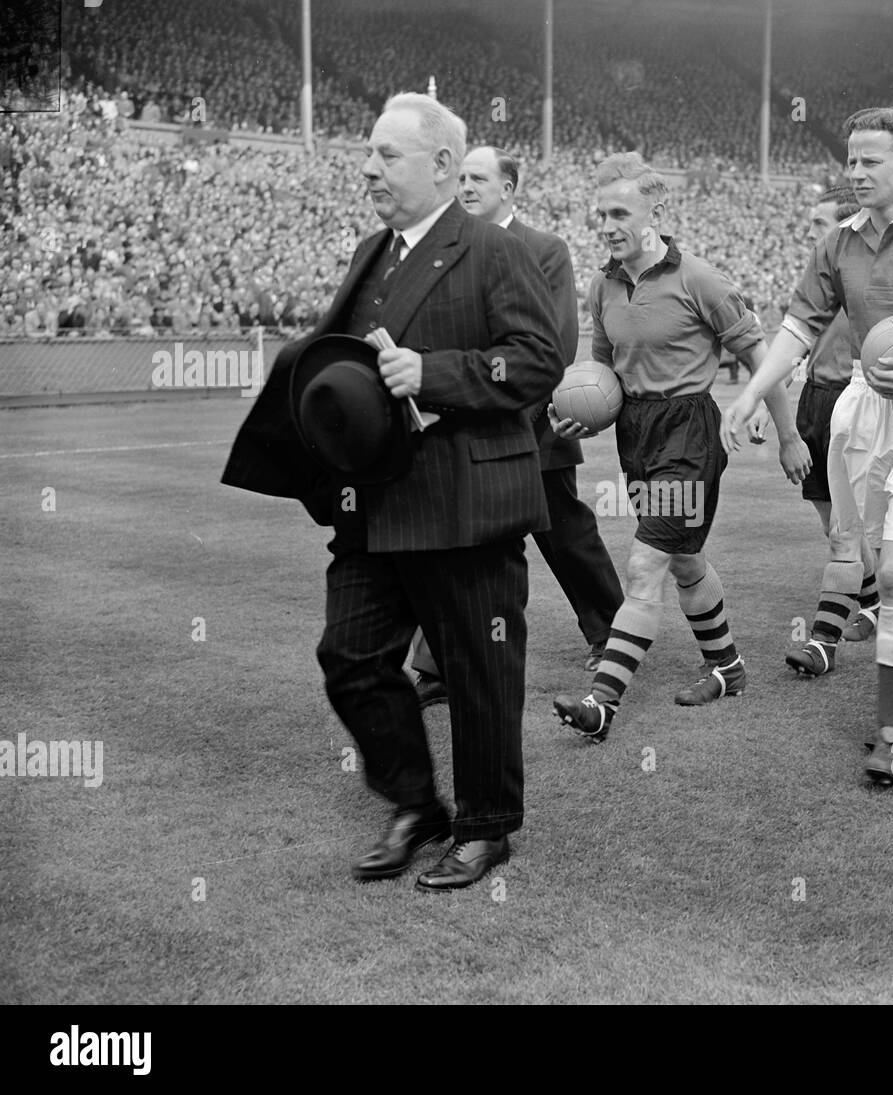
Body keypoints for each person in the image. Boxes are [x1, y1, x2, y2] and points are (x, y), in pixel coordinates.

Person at [222, 93, 564, 888]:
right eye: (368, 154)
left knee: (478, 671)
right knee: (349, 656)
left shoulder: (493, 249)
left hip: (463, 505)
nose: (368, 168)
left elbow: (538, 359)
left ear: (443, 165)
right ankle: (417, 803)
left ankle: (486, 828)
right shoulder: (372, 252)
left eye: (387, 155)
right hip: (374, 508)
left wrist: (434, 373)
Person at [723, 106, 893, 784]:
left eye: (870, 160)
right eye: (851, 161)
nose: (855, 173)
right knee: (880, 563)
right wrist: (754, 390)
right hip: (864, 411)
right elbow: (796, 326)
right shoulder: (840, 241)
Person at [552, 152, 809, 741]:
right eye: (601, 214)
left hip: (690, 433)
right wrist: (581, 417)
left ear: (657, 213)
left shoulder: (701, 279)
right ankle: (728, 667)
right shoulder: (602, 284)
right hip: (635, 434)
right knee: (684, 558)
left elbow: (761, 360)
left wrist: (789, 437)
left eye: (620, 212)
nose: (608, 224)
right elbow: (600, 374)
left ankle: (602, 704)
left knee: (645, 565)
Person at [406, 144, 624, 706]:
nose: (467, 187)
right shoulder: (442, 250)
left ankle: (612, 637)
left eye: (479, 178)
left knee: (565, 535)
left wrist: (506, 408)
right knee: (455, 545)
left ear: (509, 188)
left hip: (531, 427)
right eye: (461, 179)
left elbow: (553, 342)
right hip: (460, 429)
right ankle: (437, 668)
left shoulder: (543, 249)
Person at [779, 184, 883, 678]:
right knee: (832, 525)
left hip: (852, 399)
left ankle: (823, 642)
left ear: (847, 226)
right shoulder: (818, 279)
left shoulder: (870, 280)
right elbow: (794, 342)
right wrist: (772, 410)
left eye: (820, 223)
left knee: (844, 531)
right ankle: (877, 601)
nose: (811, 232)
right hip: (814, 401)